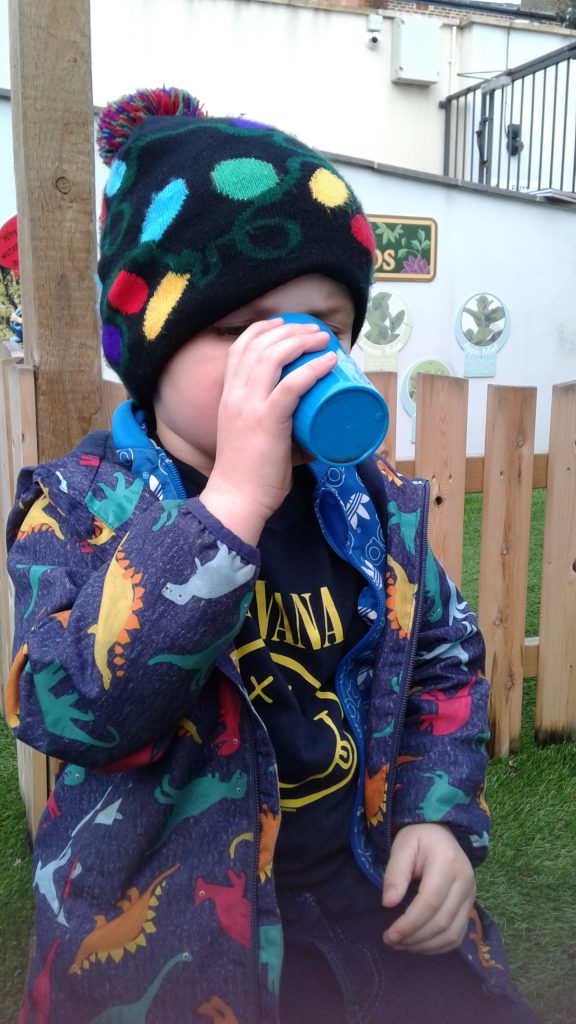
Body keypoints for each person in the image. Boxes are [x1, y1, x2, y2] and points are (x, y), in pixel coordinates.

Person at [5, 87, 540, 1024]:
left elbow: (443, 659)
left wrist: (437, 815)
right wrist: (229, 509)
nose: (296, 358)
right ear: (155, 349)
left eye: (324, 324)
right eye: (245, 329)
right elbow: (67, 704)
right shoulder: (81, 505)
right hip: (180, 950)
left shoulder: (369, 501)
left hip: (366, 907)